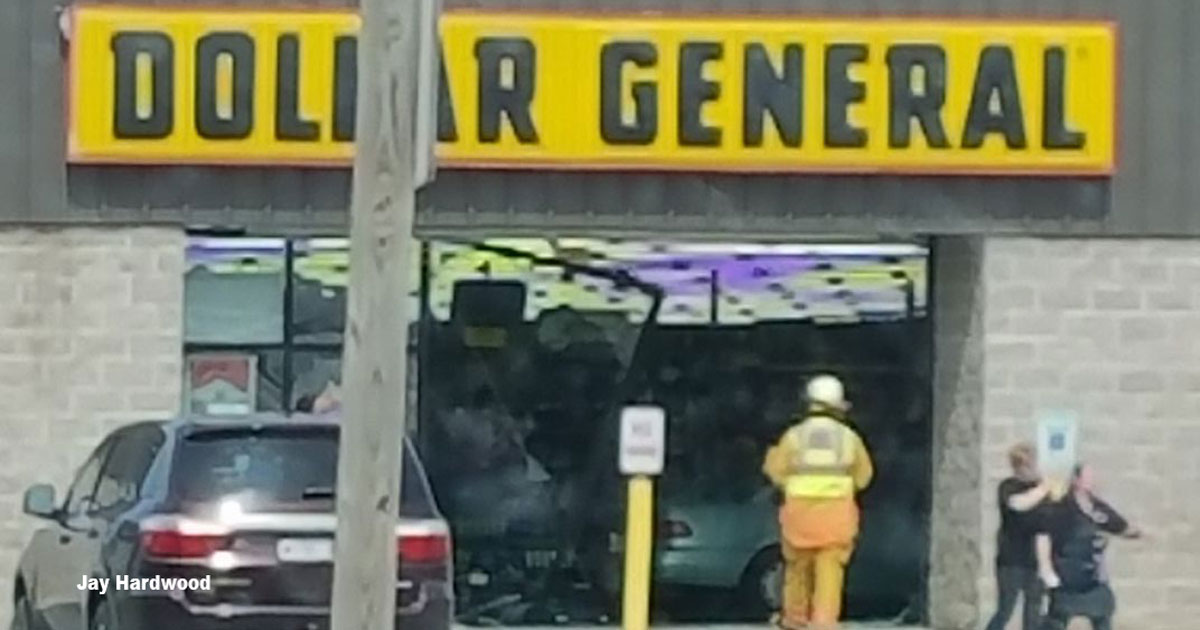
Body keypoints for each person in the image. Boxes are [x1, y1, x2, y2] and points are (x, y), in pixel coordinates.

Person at [761, 375, 874, 630]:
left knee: (797, 568)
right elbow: (864, 476)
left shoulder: (794, 436)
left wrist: (790, 485)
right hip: (837, 513)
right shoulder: (849, 438)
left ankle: (794, 620)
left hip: (800, 511)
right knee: (830, 572)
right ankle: (824, 623)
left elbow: (775, 470)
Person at [1036, 464, 1143, 630]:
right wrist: (1046, 569)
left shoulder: (1096, 507)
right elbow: (1044, 535)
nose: (1091, 481)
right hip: (1067, 575)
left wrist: (1137, 533)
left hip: (1093, 577)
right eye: (1087, 477)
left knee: (1103, 613)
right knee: (1056, 619)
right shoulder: (1061, 508)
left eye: (1091, 477)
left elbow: (1118, 525)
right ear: (1076, 480)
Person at [985, 442, 1054, 630]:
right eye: (1028, 464)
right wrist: (1043, 489)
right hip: (1011, 560)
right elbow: (1018, 504)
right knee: (1005, 609)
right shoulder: (1008, 487)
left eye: (1033, 462)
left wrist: (1046, 566)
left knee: (1034, 612)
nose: (1033, 467)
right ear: (1018, 466)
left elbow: (1044, 528)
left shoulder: (1040, 489)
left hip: (1034, 560)